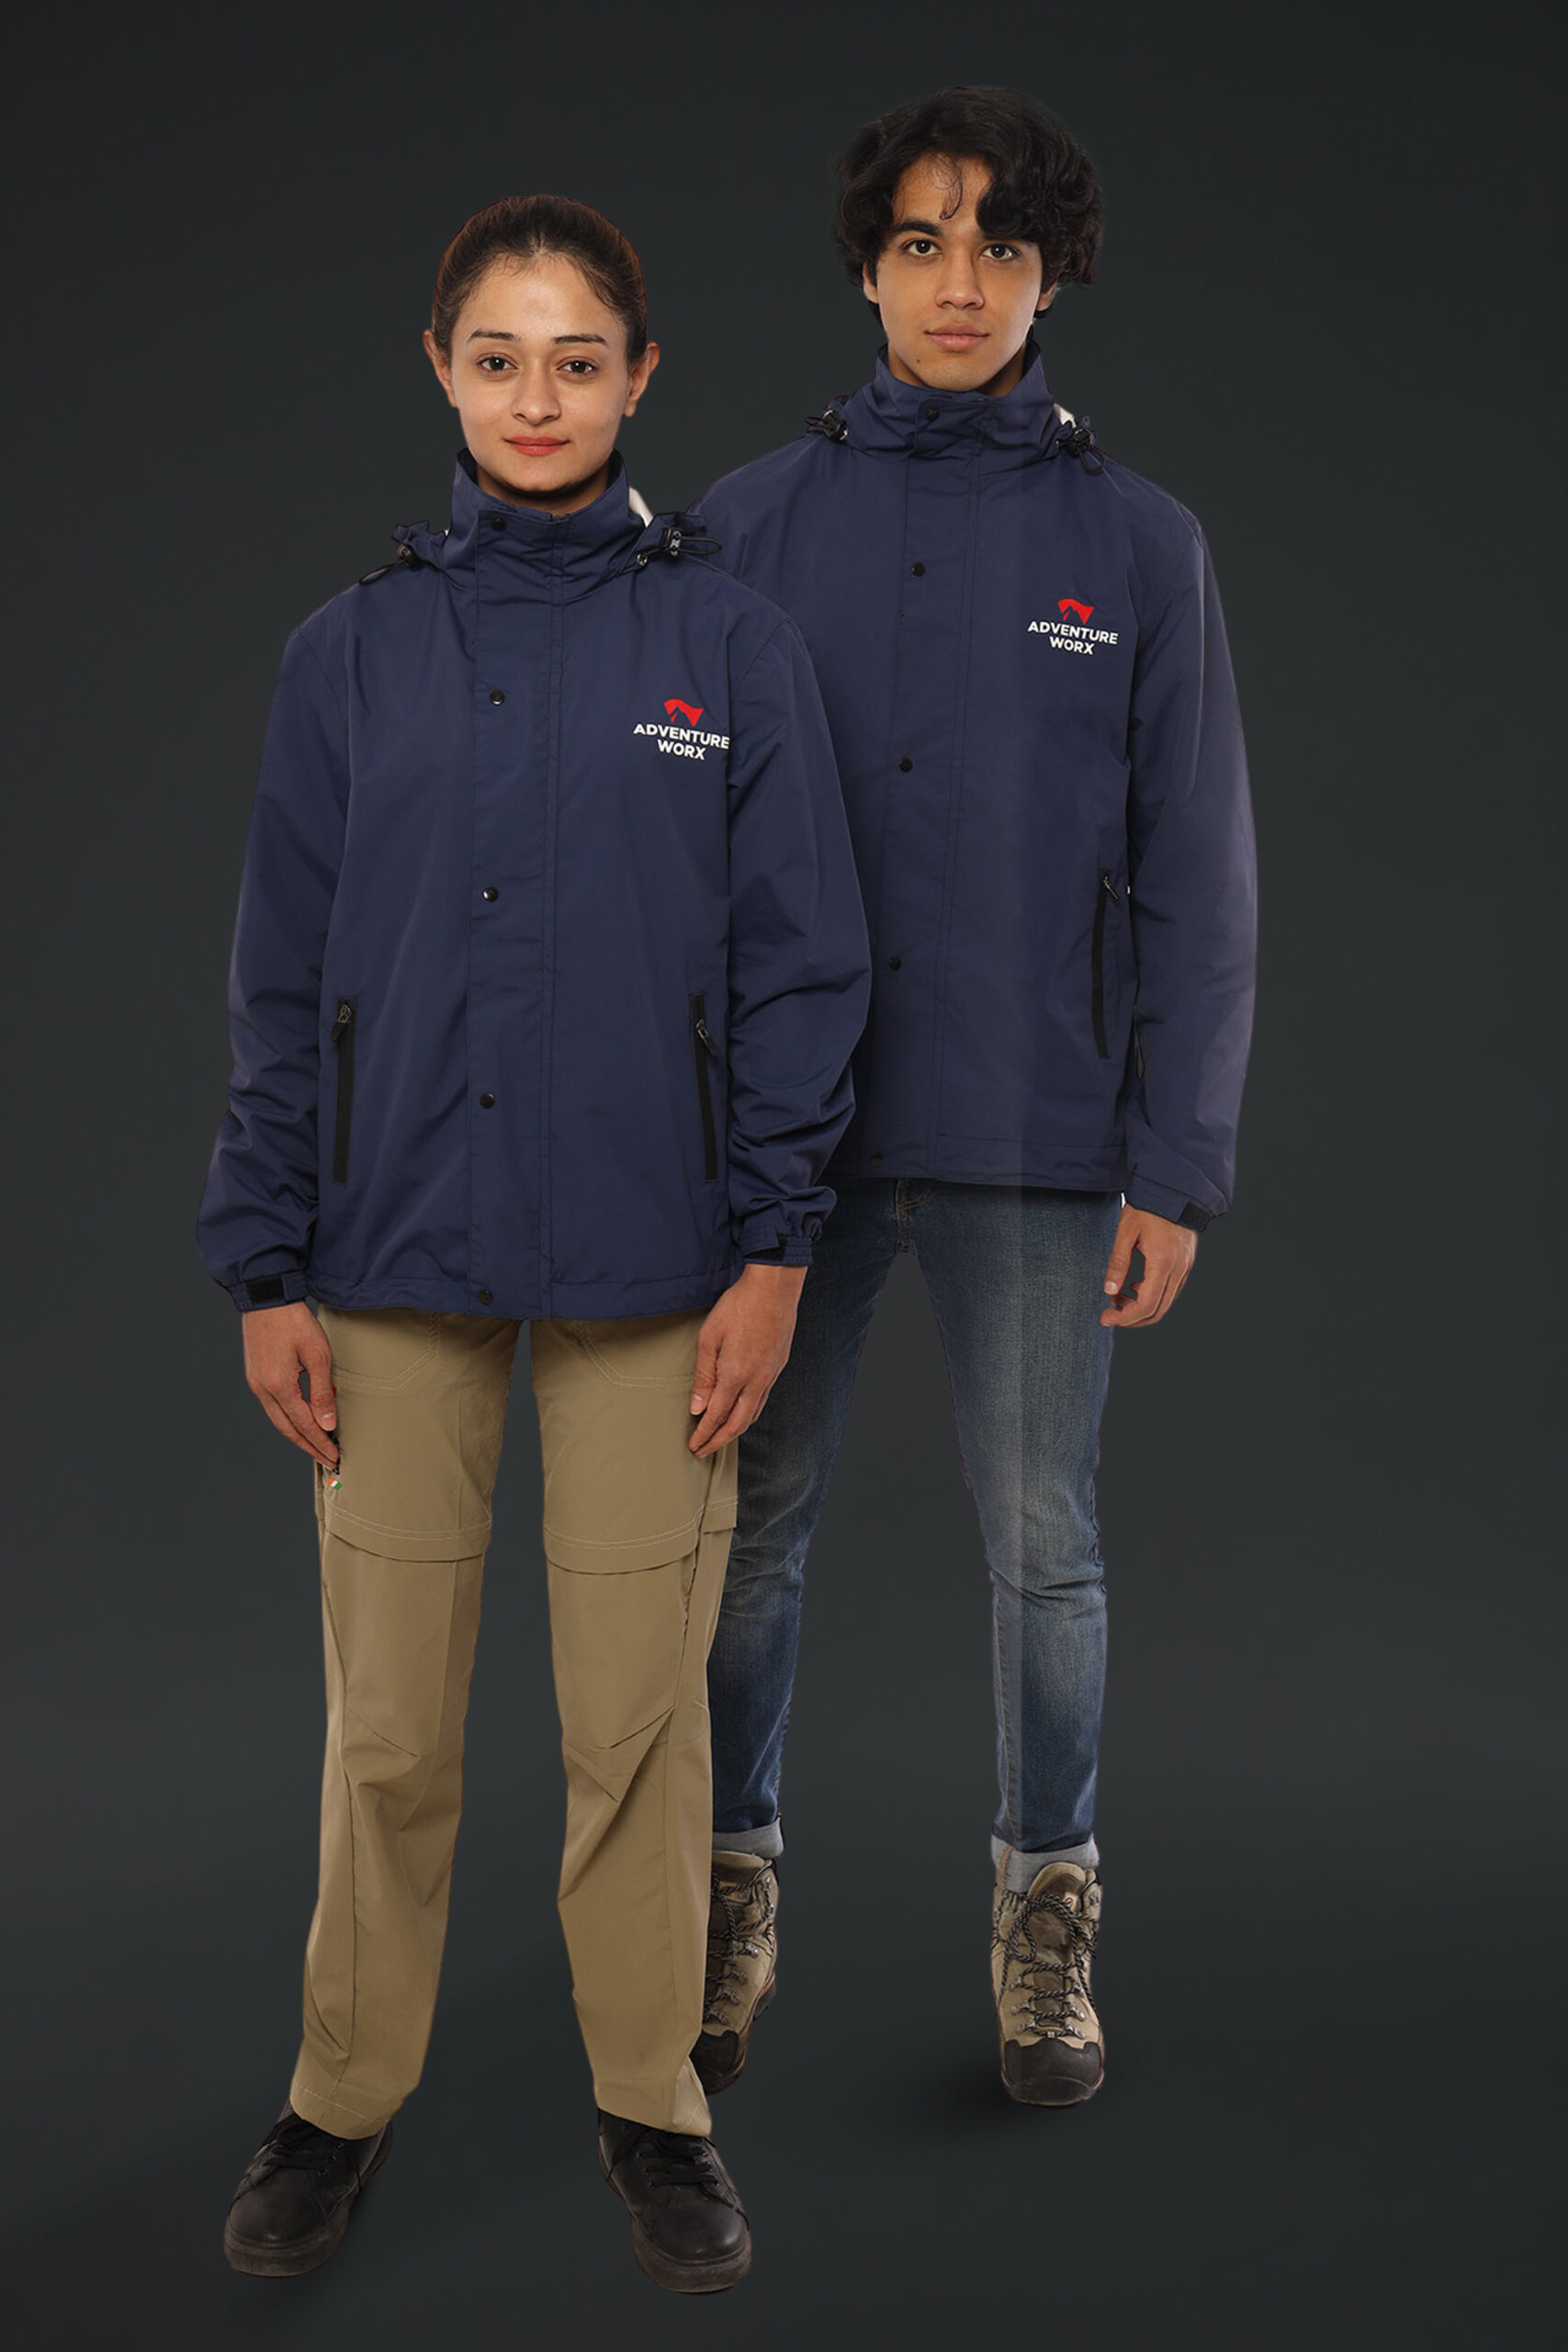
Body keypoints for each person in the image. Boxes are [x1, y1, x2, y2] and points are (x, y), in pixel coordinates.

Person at [196, 193, 870, 2290]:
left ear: (640, 377)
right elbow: (278, 977)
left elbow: (804, 970)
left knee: (634, 1724)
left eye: (580, 360)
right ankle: (338, 2098)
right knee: (390, 1727)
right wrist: (266, 1262)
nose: (539, 397)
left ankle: (653, 2104)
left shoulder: (730, 648)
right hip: (389, 1258)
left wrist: (773, 1252)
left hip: (657, 1271)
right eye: (499, 358)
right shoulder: (350, 652)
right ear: (443, 371)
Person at [687, 87, 1257, 2109]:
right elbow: (674, 854)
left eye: (1000, 248)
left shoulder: (1138, 547)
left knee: (1043, 1546)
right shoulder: (745, 526)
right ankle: (718, 1898)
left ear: (1050, 277)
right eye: (921, 242)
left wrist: (1177, 1157)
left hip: (1039, 1133)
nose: (958, 283)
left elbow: (1197, 870)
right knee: (746, 1532)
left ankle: (1046, 1925)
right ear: (867, 266)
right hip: (791, 1150)